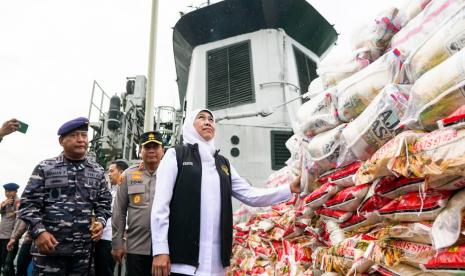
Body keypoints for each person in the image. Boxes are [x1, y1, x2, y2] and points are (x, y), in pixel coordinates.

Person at [151, 109, 301, 276]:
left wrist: (289, 189)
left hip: (216, 266)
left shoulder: (223, 164)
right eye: (201, 118)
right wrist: (160, 250)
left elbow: (250, 195)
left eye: (211, 119)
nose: (208, 122)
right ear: (189, 125)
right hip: (182, 262)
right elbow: (160, 205)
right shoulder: (176, 155)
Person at [18, 117, 112, 275]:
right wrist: (39, 232)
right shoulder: (45, 167)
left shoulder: (97, 171)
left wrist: (101, 222)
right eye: (75, 135)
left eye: (84, 135)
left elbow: (105, 202)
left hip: (82, 254)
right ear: (61, 141)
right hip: (49, 251)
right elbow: (28, 205)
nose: (81, 140)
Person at [112, 131, 165, 276]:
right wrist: (117, 243)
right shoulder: (128, 175)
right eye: (147, 147)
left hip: (164, 249)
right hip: (136, 247)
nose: (152, 151)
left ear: (163, 151)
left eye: (156, 147)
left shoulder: (172, 173)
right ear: (140, 151)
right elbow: (119, 211)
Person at [94, 160, 129, 276]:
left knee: (106, 272)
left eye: (111, 171)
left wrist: (123, 240)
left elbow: (126, 216)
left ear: (122, 172)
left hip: (111, 240)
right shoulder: (111, 191)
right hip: (101, 238)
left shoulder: (127, 192)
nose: (109, 174)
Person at [0, 183, 20, 275]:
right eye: (6, 191)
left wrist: (13, 238)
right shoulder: (6, 202)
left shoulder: (18, 203)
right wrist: (3, 205)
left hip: (10, 238)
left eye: (9, 191)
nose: (7, 193)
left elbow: (18, 221)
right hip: (2, 237)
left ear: (15, 191)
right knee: (4, 262)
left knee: (7, 265)